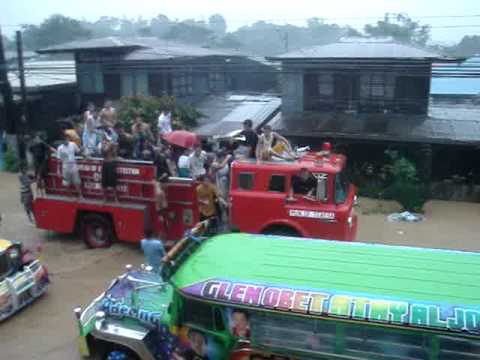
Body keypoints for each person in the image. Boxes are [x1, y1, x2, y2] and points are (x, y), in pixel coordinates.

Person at [57, 133, 82, 198]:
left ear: (68, 139)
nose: (65, 141)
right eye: (63, 140)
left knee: (77, 182)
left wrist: (82, 150)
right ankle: (69, 195)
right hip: (65, 167)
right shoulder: (60, 148)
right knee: (66, 183)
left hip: (74, 166)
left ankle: (80, 195)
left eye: (66, 139)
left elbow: (78, 151)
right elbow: (59, 160)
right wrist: (58, 170)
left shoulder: (73, 144)